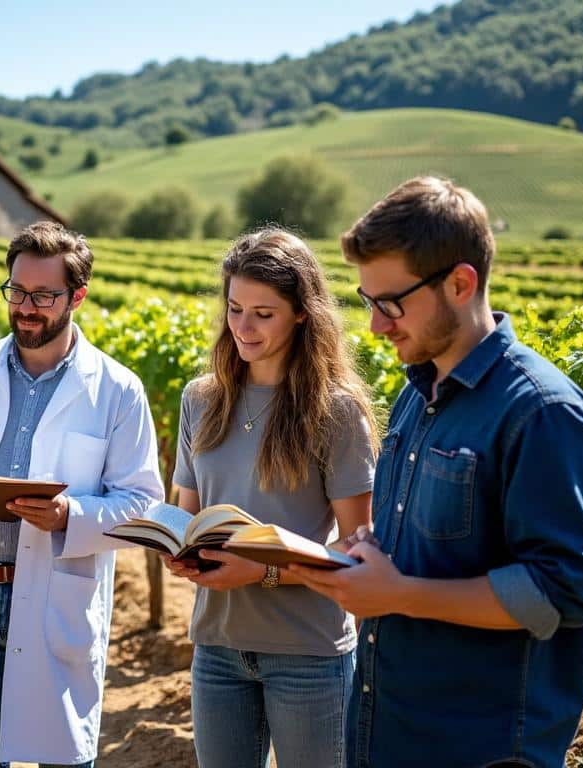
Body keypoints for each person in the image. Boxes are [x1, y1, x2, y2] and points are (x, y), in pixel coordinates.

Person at [290, 176, 583, 767]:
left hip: (478, 746)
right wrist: (364, 555)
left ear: (460, 284)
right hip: (389, 732)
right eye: (368, 302)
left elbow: (566, 588)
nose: (376, 326)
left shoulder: (541, 413)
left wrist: (401, 594)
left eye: (391, 304)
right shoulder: (417, 395)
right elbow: (427, 547)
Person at [0, 221, 165, 768]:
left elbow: (142, 501)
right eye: (17, 291)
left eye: (43, 296)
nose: (25, 308)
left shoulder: (117, 390)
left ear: (77, 297)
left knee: (65, 757)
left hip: (56, 598)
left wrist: (70, 514)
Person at [161, 227, 377, 768]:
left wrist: (263, 573)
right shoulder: (200, 399)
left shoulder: (335, 411)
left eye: (263, 313)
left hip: (308, 654)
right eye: (235, 309)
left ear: (302, 313)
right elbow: (186, 514)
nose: (243, 327)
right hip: (216, 648)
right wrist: (177, 549)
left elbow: (358, 551)